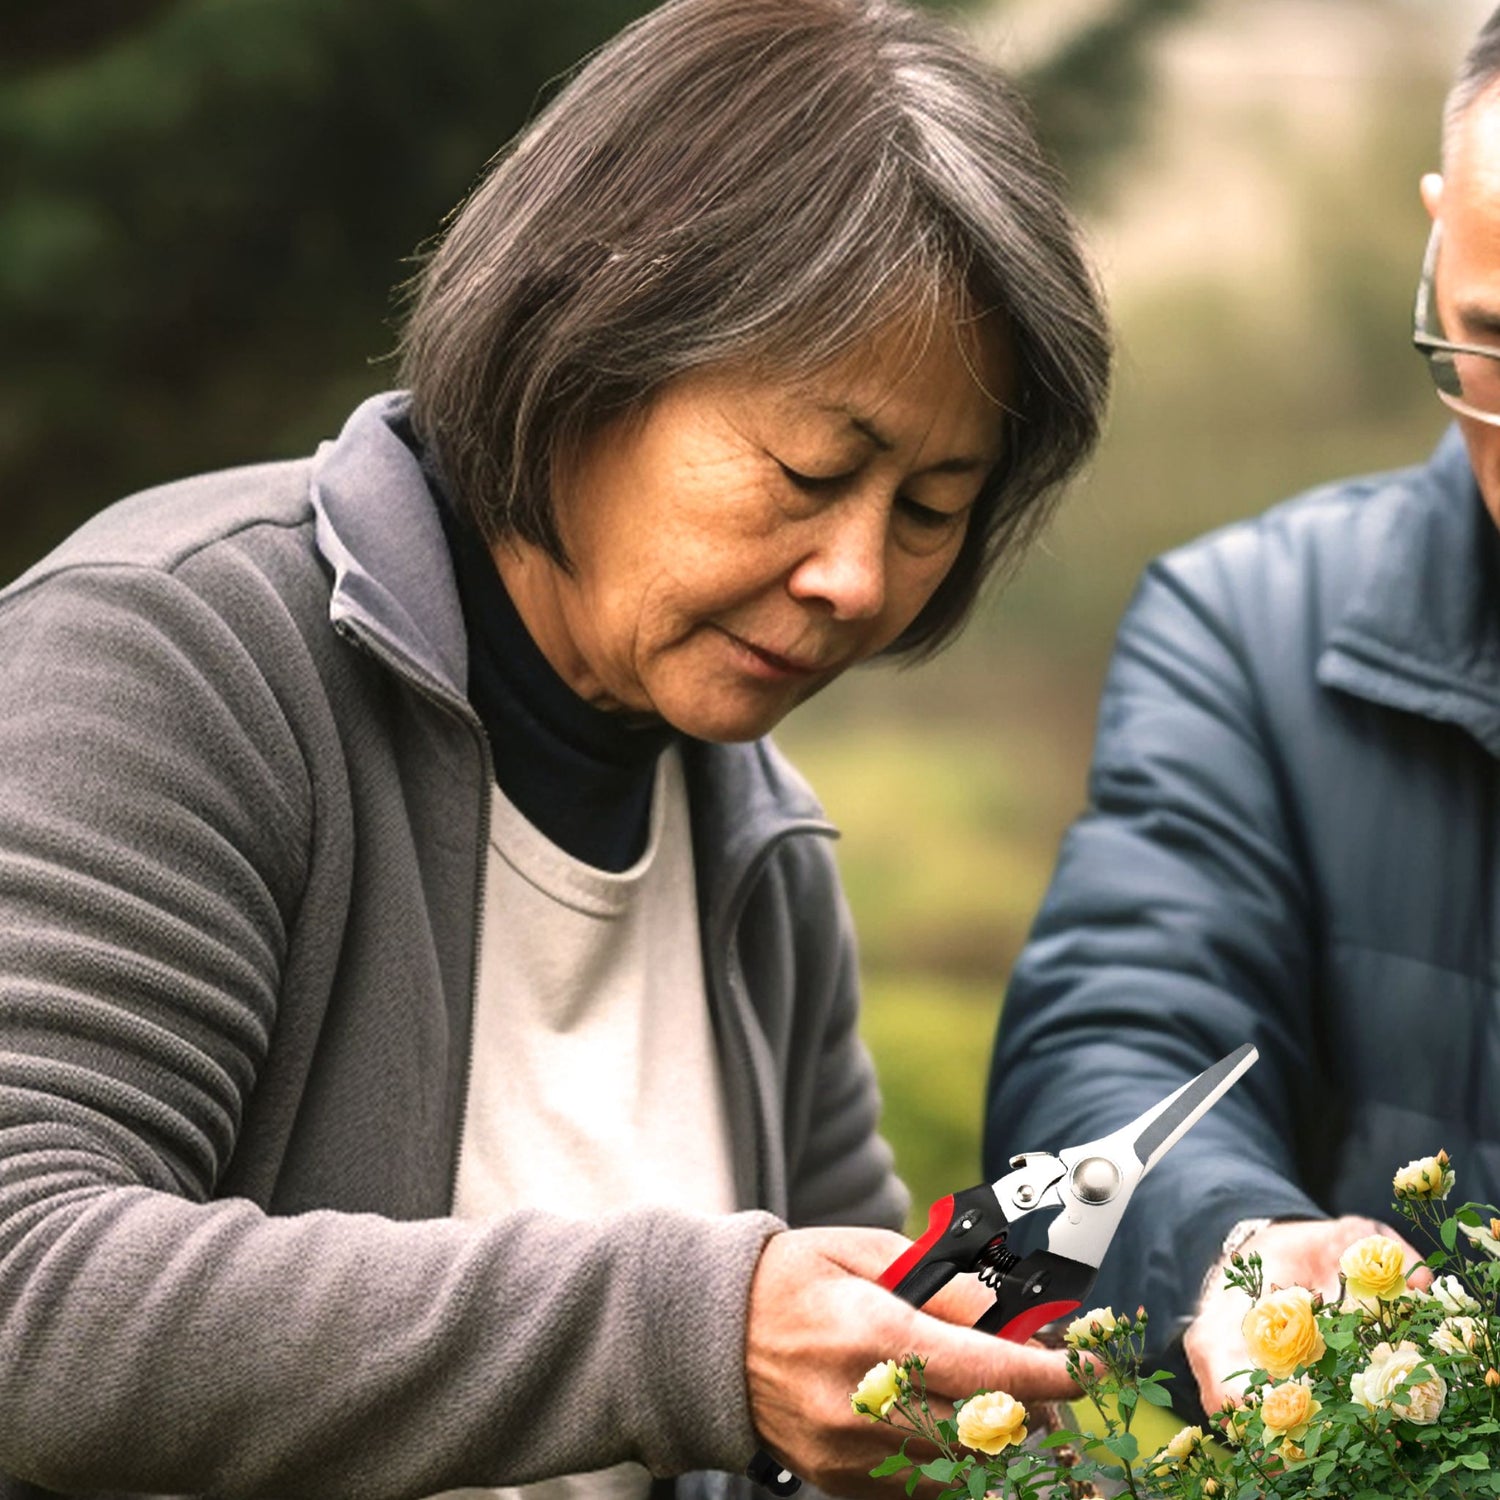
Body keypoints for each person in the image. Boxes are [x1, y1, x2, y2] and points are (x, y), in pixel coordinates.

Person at [0, 1, 1111, 1497]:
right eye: (811, 469)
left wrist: (922, 1402)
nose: (856, 573)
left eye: (928, 510)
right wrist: (692, 1336)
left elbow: (833, 1350)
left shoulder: (757, 846)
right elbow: (29, 1294)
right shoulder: (180, 660)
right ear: (590, 349)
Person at [984, 2, 1500, 1433]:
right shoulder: (1253, 633)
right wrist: (1240, 1250)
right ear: (1438, 229)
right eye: (1493, 347)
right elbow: (1112, 1042)